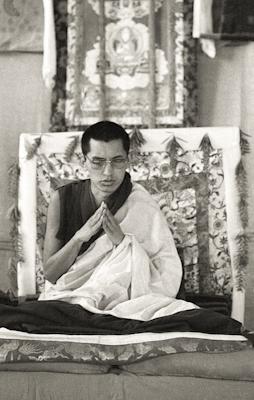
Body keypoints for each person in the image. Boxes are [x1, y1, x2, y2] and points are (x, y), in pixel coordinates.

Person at [40, 120, 198, 321]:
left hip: (125, 302)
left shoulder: (140, 203)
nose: (108, 173)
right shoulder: (62, 199)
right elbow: (50, 274)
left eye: (117, 161)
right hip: (71, 297)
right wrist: (79, 238)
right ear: (84, 161)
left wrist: (123, 244)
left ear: (127, 160)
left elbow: (165, 273)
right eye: (97, 162)